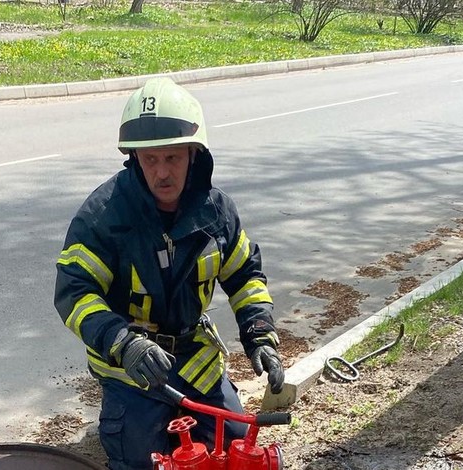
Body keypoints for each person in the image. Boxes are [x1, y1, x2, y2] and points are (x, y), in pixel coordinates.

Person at [53, 77, 285, 470]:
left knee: (236, 450)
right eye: (151, 160)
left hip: (196, 359)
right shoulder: (104, 217)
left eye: (173, 158)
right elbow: (75, 292)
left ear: (194, 155)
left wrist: (260, 337)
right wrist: (125, 344)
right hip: (132, 370)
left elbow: (245, 276)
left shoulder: (217, 212)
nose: (162, 173)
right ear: (135, 159)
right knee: (142, 462)